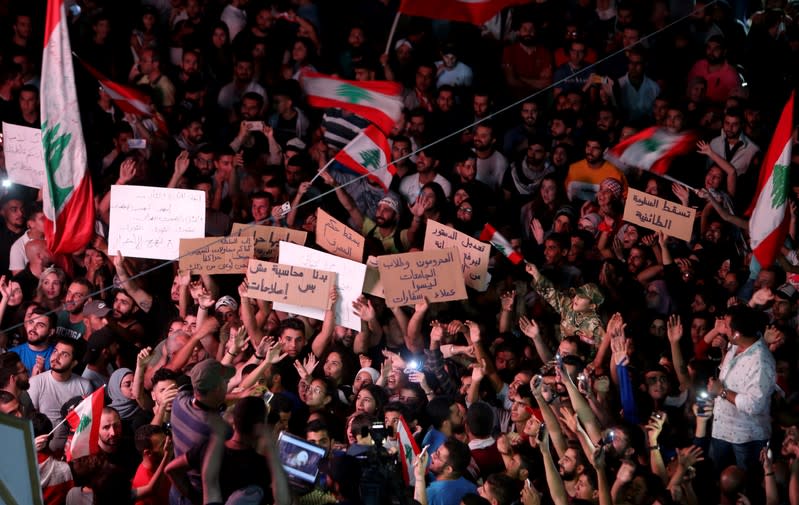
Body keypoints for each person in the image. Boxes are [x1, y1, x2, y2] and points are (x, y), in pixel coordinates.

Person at [706, 305, 776, 472]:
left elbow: (755, 405)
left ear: (737, 333)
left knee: (744, 486)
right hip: (721, 430)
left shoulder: (761, 362)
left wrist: (722, 392)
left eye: (727, 326)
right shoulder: (736, 345)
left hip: (745, 438)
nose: (723, 328)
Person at [28, 336, 94, 452]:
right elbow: (31, 421)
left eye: (64, 354)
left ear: (74, 363)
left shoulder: (85, 386)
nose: (56, 357)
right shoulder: (36, 382)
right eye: (55, 351)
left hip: (73, 449)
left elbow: (87, 422)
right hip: (42, 450)